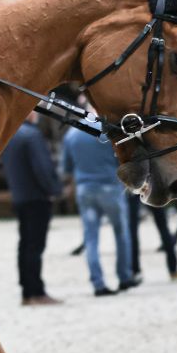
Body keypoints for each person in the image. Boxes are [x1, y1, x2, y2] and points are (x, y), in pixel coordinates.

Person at [60, 109, 137, 297]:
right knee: (121, 233)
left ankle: (98, 283)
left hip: (85, 189)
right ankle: (125, 277)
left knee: (91, 237)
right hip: (111, 188)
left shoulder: (71, 134)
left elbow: (66, 168)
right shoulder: (109, 132)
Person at [1, 112, 62, 306]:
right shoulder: (32, 136)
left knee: (25, 244)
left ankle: (27, 290)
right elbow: (42, 168)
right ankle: (36, 290)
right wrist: (54, 189)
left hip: (20, 195)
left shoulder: (10, 135)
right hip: (37, 196)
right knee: (35, 246)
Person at [127, 194, 177, 283]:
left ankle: (135, 271)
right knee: (163, 227)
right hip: (152, 186)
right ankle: (173, 270)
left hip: (133, 187)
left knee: (132, 230)